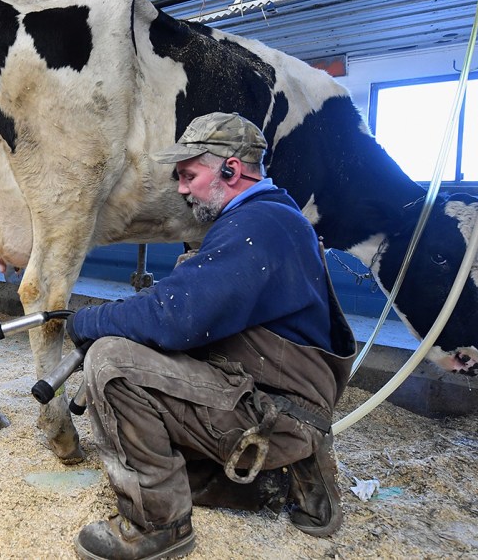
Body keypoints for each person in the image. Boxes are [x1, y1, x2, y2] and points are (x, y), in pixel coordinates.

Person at [66, 112, 357, 560]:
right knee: (184, 464)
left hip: (274, 407)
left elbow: (176, 318)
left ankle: (157, 526)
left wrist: (86, 322)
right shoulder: (273, 216)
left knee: (110, 364)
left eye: (188, 175)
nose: (181, 188)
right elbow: (192, 308)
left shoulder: (257, 227)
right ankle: (284, 479)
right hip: (283, 396)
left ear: (230, 169)